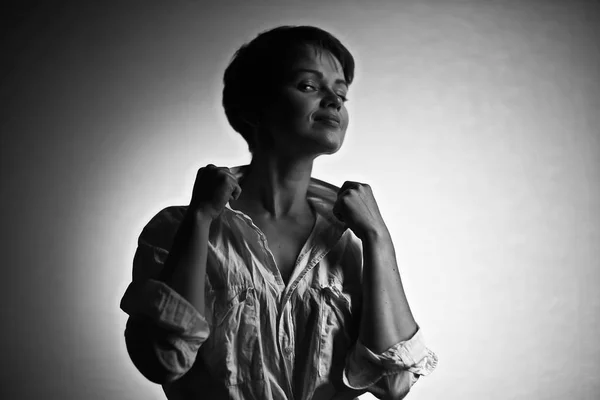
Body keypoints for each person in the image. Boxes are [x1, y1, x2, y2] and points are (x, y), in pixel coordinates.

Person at [120, 25, 437, 400]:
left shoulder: (346, 239)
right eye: (309, 86)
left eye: (341, 93)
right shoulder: (177, 229)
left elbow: (394, 383)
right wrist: (200, 218)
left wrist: (378, 239)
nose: (334, 102)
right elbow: (164, 360)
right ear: (254, 106)